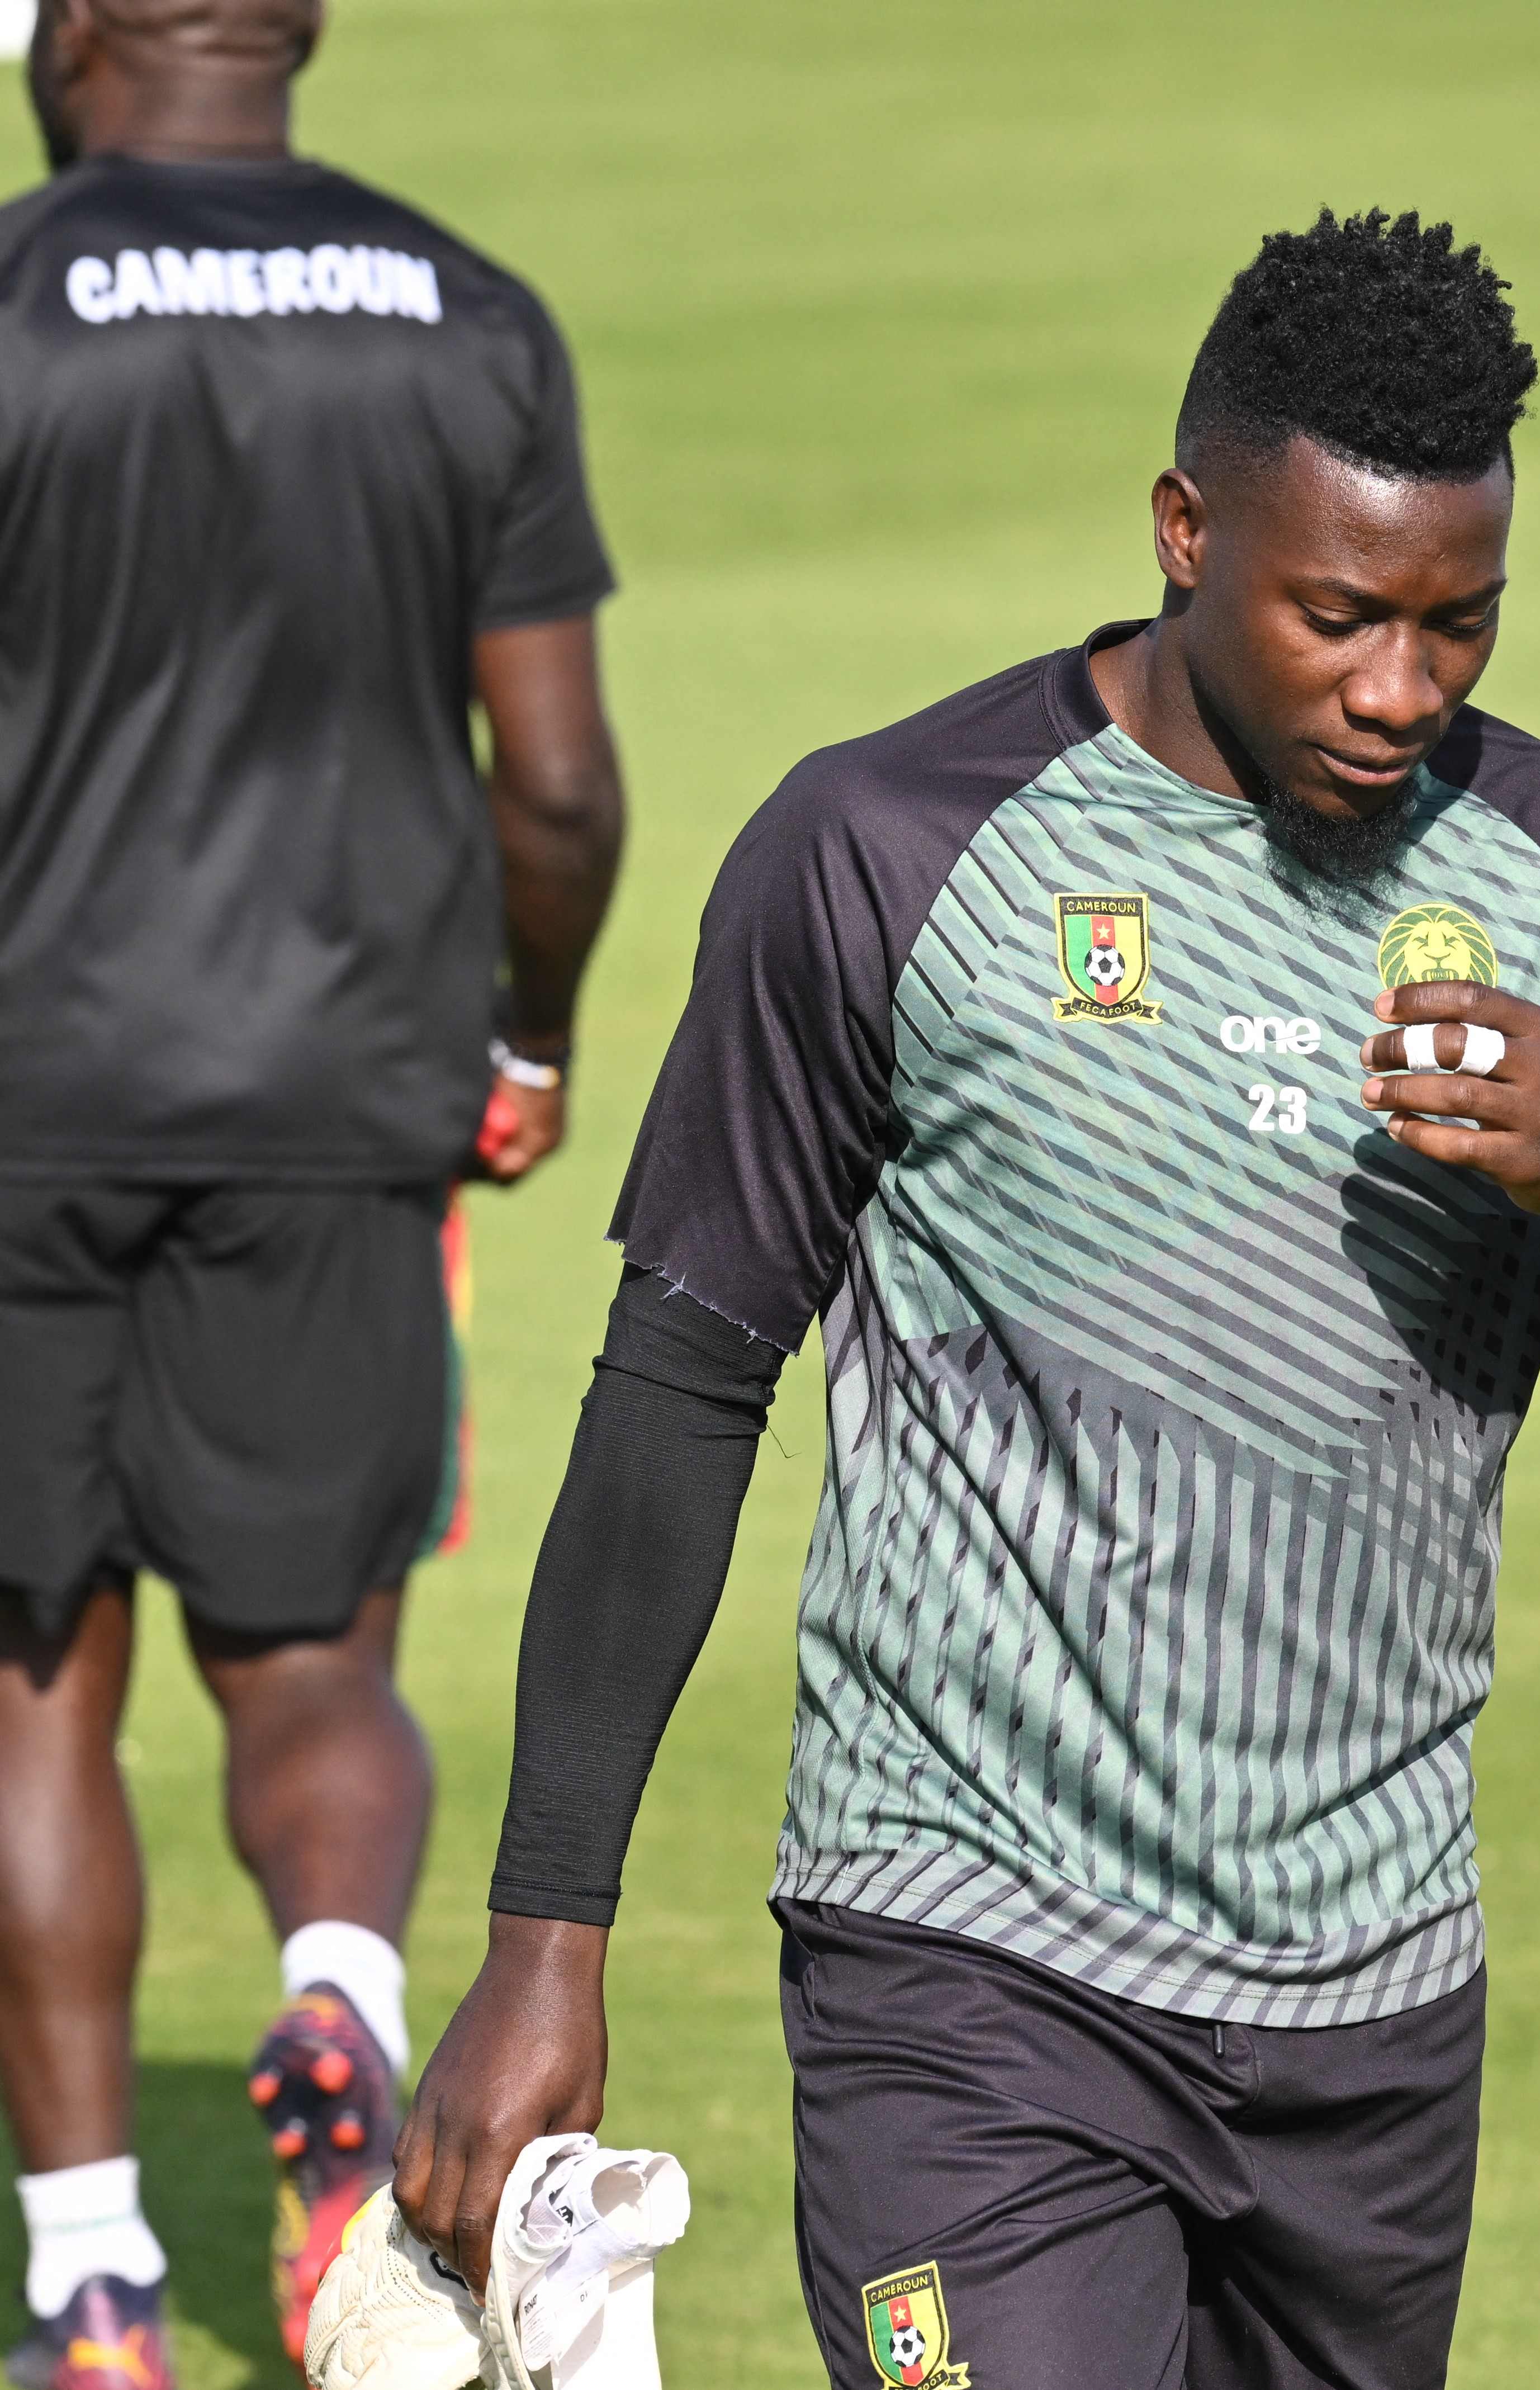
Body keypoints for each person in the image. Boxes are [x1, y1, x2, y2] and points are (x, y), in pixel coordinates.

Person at [392, 207, 1540, 2390]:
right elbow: (681, 1383)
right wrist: (541, 1942)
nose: (1401, 687)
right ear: (1184, 529)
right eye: (1340, 613)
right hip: (963, 1972)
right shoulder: (888, 849)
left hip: (1372, 1998)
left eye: (1461, 625)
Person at [0, 4, 622, 2384]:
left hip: (26, 1103)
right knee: (319, 1664)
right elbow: (554, 786)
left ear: (67, 37)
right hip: (339, 1098)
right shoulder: (465, 313)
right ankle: (342, 1998)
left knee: (33, 1688)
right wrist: (526, 1031)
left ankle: (87, 2291)